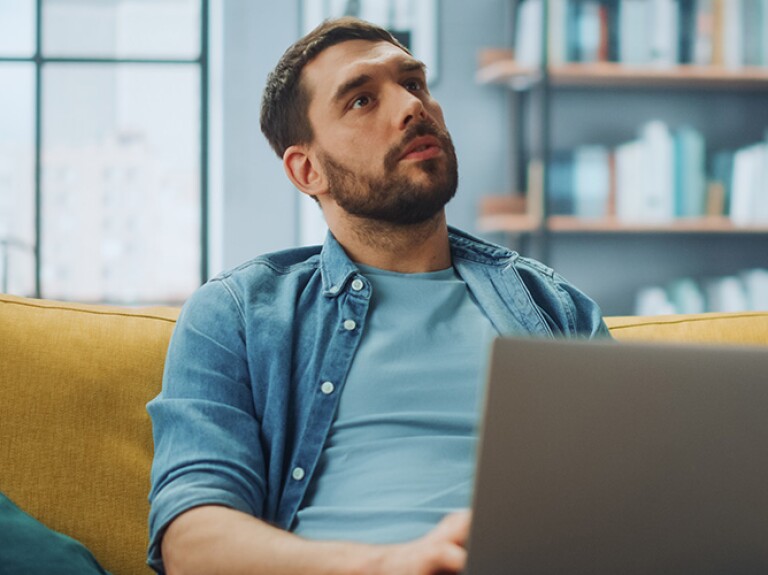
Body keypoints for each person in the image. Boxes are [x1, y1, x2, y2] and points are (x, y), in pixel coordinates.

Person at [147, 16, 609, 575]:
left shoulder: (553, 305)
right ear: (307, 168)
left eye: (412, 83)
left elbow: (631, 496)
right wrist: (392, 563)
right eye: (363, 100)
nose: (411, 107)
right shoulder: (239, 314)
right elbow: (192, 544)